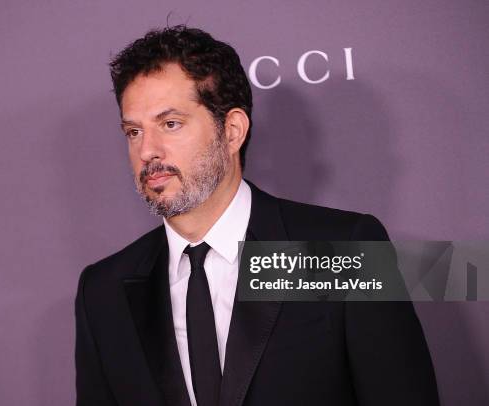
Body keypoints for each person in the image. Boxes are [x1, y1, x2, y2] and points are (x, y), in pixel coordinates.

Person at [75, 25, 439, 406]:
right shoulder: (103, 292)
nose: (147, 150)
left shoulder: (343, 249)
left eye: (170, 124)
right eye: (133, 132)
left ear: (232, 131)